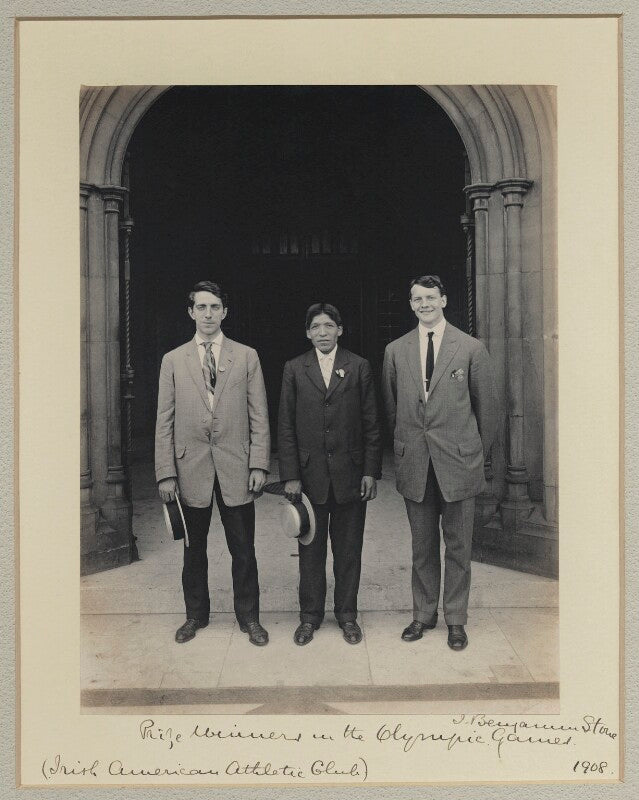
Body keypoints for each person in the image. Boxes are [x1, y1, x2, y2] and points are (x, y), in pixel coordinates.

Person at [381, 275, 496, 651]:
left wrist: (477, 456)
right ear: (411, 304)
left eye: (431, 297)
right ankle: (423, 614)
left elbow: (488, 411)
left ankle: (456, 620)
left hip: (459, 462)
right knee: (422, 546)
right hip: (415, 461)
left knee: (459, 546)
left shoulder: (470, 348)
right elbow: (392, 407)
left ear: (444, 300)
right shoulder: (395, 350)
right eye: (417, 299)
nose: (424, 304)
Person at [155, 281, 271, 645]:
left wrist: (258, 465)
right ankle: (195, 616)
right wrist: (166, 473)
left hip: (236, 466)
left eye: (215, 307)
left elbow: (259, 415)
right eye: (201, 307)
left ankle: (249, 618)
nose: (208, 314)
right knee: (194, 550)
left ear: (225, 312)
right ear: (191, 312)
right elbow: (165, 421)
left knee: (244, 548)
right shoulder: (173, 360)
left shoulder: (246, 356)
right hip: (190, 470)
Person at [278, 303, 382, 646]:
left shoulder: (359, 367)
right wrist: (290, 475)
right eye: (316, 327)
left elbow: (371, 423)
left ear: (340, 330)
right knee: (311, 551)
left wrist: (370, 471)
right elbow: (286, 427)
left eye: (329, 326)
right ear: (307, 333)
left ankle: (347, 616)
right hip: (309, 478)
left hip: (351, 476)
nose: (323, 332)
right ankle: (309, 617)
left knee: (349, 550)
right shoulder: (295, 368)